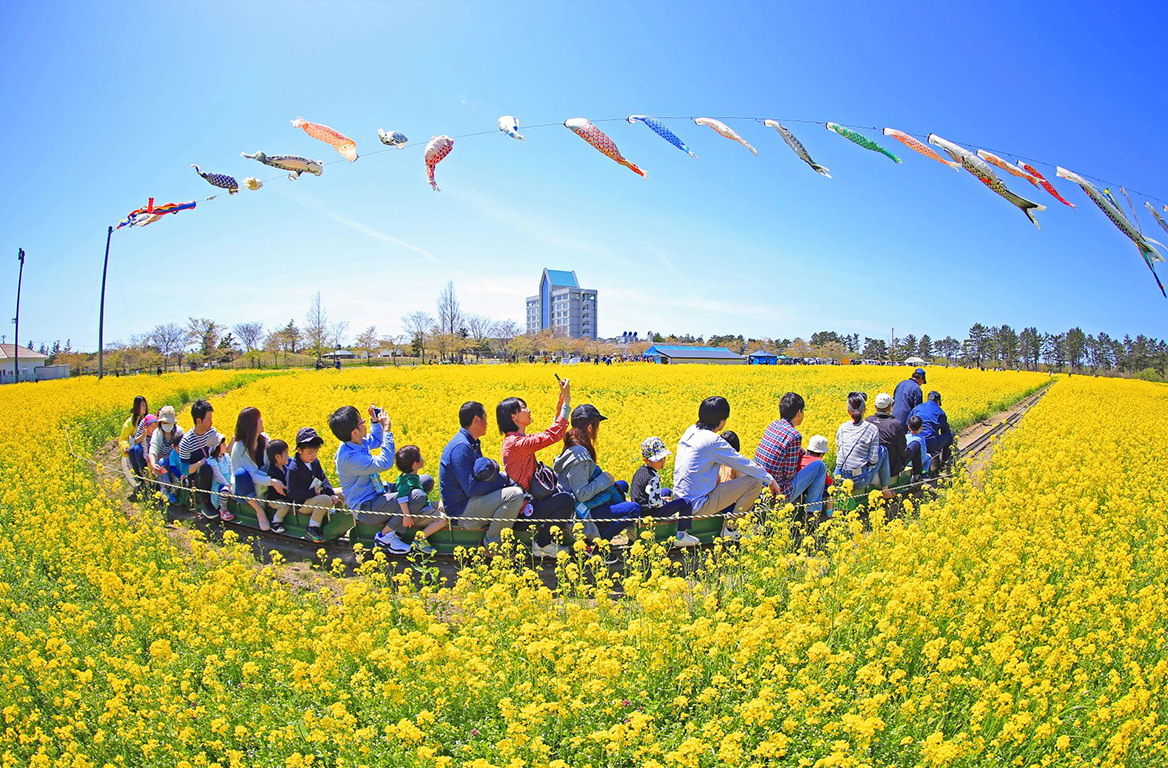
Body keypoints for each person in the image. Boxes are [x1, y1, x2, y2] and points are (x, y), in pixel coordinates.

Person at [674, 396, 779, 540]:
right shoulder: (712, 440)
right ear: (722, 421)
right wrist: (770, 479)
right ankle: (731, 528)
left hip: (681, 501)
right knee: (755, 483)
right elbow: (741, 462)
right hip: (698, 505)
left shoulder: (690, 431)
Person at [498, 378, 575, 559]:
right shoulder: (515, 444)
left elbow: (549, 434)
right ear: (513, 417)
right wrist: (568, 401)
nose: (529, 410)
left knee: (563, 495)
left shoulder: (516, 440)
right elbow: (552, 436)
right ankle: (541, 544)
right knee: (565, 500)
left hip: (530, 504)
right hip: (524, 511)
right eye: (524, 408)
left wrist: (561, 406)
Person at [440, 401, 525, 549]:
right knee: (514, 495)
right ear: (476, 420)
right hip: (461, 513)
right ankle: (493, 545)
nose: (487, 422)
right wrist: (501, 481)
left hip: (468, 504)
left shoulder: (470, 443)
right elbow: (471, 488)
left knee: (508, 484)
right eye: (485, 418)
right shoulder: (461, 448)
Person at [329, 404, 412, 553]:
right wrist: (386, 429)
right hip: (367, 506)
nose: (364, 423)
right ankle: (386, 537)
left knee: (422, 482)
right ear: (355, 432)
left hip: (378, 492)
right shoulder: (348, 457)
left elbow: (375, 440)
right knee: (413, 497)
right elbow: (385, 463)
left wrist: (375, 422)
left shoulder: (355, 442)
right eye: (362, 422)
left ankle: (400, 522)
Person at [553, 404, 641, 544]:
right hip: (581, 510)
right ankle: (599, 543)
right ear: (589, 427)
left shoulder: (572, 443)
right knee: (634, 509)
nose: (597, 430)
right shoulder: (579, 455)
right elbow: (581, 494)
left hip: (586, 502)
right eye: (597, 425)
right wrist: (604, 479)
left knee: (622, 485)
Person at [755, 392, 826, 525]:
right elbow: (789, 474)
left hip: (759, 488)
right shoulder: (794, 435)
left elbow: (799, 452)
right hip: (778, 492)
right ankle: (812, 514)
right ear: (799, 413)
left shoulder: (773, 425)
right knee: (820, 466)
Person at [631, 436, 698, 548]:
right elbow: (654, 503)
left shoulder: (641, 471)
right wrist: (664, 503)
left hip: (641, 508)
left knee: (666, 491)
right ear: (647, 460)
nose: (663, 461)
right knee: (685, 502)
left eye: (664, 458)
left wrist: (662, 500)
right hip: (650, 513)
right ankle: (681, 536)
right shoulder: (653, 476)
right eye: (659, 459)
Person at [231, 407, 287, 532]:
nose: (262, 420)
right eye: (258, 418)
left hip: (264, 481)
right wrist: (271, 481)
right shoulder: (240, 447)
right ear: (251, 424)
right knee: (241, 474)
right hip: (246, 488)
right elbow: (251, 476)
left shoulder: (265, 439)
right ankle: (259, 510)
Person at [285, 427, 345, 544]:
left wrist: (332, 494)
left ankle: (338, 524)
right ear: (299, 450)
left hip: (317, 497)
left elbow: (323, 478)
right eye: (310, 453)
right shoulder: (293, 468)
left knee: (343, 493)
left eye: (316, 452)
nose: (313, 456)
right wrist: (312, 492)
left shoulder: (314, 462)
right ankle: (312, 528)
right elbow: (292, 492)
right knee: (325, 499)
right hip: (302, 504)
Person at [177, 399, 231, 521]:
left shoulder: (212, 432)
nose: (211, 422)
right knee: (206, 468)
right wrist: (201, 462)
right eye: (208, 419)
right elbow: (184, 470)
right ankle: (205, 501)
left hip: (216, 470)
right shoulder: (186, 441)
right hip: (198, 477)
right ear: (198, 421)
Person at [834, 393, 895, 499]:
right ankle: (885, 489)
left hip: (839, 476)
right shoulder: (871, 428)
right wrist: (869, 470)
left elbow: (838, 452)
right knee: (883, 450)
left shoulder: (842, 427)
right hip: (859, 480)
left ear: (848, 412)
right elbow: (873, 459)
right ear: (865, 409)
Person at [393, 445, 448, 554]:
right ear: (415, 464)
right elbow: (401, 497)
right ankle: (419, 539)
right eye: (420, 456)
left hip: (425, 505)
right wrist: (406, 516)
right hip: (420, 512)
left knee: (446, 505)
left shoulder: (407, 476)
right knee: (443, 520)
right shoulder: (408, 482)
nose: (423, 458)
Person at [867, 392, 919, 478]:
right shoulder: (895, 425)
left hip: (873, 467)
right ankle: (918, 475)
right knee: (916, 444)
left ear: (875, 407)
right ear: (890, 407)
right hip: (892, 468)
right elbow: (903, 450)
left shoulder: (868, 420)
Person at [149, 406, 185, 503]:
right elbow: (153, 449)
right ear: (160, 423)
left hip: (176, 462)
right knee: (162, 462)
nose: (167, 425)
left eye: (169, 423)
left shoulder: (179, 432)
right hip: (164, 464)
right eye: (165, 423)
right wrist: (153, 464)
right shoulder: (158, 433)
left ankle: (175, 492)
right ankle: (165, 491)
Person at [910, 391, 954, 470]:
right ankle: (945, 461)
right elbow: (945, 429)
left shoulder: (917, 408)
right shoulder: (940, 412)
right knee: (950, 435)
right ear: (938, 401)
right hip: (930, 445)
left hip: (913, 442)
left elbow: (908, 423)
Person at [118, 395, 149, 496]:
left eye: (145, 405)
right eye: (141, 405)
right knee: (133, 449)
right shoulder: (129, 423)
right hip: (137, 448)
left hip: (148, 445)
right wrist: (124, 446)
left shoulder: (149, 419)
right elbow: (123, 438)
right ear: (136, 407)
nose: (144, 407)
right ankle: (139, 476)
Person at [799, 435, 834, 518]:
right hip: (811, 491)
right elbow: (828, 481)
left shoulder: (802, 458)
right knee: (830, 489)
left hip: (800, 489)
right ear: (822, 454)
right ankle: (829, 514)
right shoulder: (818, 463)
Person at [206, 433, 234, 518]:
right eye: (223, 444)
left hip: (229, 481)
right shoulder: (211, 461)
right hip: (219, 485)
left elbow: (231, 469)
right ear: (217, 446)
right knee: (225, 490)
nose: (226, 446)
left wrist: (232, 483)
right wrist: (228, 485)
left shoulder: (226, 457)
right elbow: (218, 476)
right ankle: (223, 510)